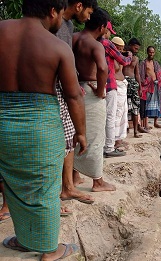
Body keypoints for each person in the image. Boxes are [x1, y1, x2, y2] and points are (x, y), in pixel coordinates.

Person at [0, 0, 86, 261]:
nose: (61, 19)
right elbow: (73, 96)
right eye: (61, 13)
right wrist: (81, 133)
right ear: (52, 11)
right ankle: (50, 249)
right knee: (47, 186)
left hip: (3, 121)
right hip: (40, 124)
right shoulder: (58, 46)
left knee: (13, 184)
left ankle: (25, 240)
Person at [56, 0, 97, 206]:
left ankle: (68, 187)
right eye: (89, 12)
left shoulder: (69, 26)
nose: (88, 18)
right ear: (79, 5)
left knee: (69, 139)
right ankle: (56, 192)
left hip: (67, 88)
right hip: (55, 89)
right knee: (58, 141)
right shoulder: (53, 24)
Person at [73, 8, 116, 192]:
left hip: (74, 88)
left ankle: (74, 176)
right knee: (96, 136)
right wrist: (100, 90)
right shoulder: (95, 44)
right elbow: (102, 68)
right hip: (90, 91)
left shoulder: (73, 38)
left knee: (74, 135)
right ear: (101, 27)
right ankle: (97, 181)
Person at [100, 21, 132, 158]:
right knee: (111, 116)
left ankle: (111, 143)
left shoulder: (92, 43)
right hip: (110, 84)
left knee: (111, 116)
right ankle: (109, 146)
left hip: (102, 85)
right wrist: (129, 56)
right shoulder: (106, 44)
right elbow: (124, 61)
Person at [123, 38, 147, 138]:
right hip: (123, 81)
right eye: (135, 48)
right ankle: (125, 130)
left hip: (133, 83)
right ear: (130, 45)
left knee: (135, 107)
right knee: (124, 107)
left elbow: (137, 74)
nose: (136, 50)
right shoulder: (122, 54)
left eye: (138, 49)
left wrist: (140, 87)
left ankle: (136, 131)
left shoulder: (136, 59)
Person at [111, 36, 130, 149]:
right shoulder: (111, 57)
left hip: (122, 86)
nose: (121, 51)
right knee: (116, 114)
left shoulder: (119, 58)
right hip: (116, 86)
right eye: (119, 49)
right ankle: (113, 141)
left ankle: (119, 139)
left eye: (122, 49)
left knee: (122, 113)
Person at [140, 46, 161, 129]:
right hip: (147, 86)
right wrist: (144, 83)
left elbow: (160, 72)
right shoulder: (143, 63)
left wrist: (160, 81)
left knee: (157, 103)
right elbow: (141, 75)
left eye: (153, 52)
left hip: (156, 85)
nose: (151, 54)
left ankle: (155, 122)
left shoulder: (155, 63)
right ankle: (145, 124)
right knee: (147, 104)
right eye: (150, 52)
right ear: (147, 52)